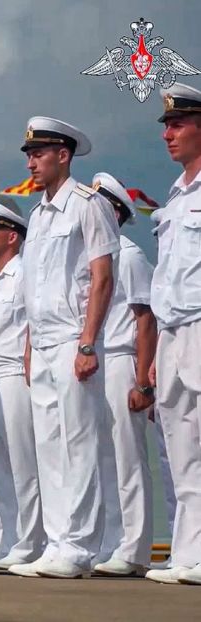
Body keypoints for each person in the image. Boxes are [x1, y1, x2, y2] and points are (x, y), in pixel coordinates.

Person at [11, 118, 120, 580]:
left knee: (78, 442)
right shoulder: (36, 216)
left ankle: (78, 546)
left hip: (75, 339)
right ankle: (57, 542)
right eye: (29, 155)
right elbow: (35, 288)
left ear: (63, 155)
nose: (31, 162)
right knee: (49, 446)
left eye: (39, 153)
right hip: (44, 342)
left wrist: (89, 341)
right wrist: (31, 346)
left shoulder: (87, 205)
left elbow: (102, 276)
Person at [86, 173, 157, 577]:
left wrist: (142, 381)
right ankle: (111, 541)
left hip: (122, 359)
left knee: (128, 458)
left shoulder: (128, 256)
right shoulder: (98, 259)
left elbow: (145, 319)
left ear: (114, 212)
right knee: (103, 458)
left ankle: (134, 547)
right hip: (99, 362)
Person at [147, 83, 201, 586]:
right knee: (178, 449)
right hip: (173, 331)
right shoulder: (176, 195)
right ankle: (187, 553)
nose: (169, 133)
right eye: (166, 125)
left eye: (178, 124)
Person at [0, 202, 45, 569]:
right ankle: (8, 538)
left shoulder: (22, 274)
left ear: (12, 237)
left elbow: (32, 323)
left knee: (23, 463)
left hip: (15, 375)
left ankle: (31, 540)